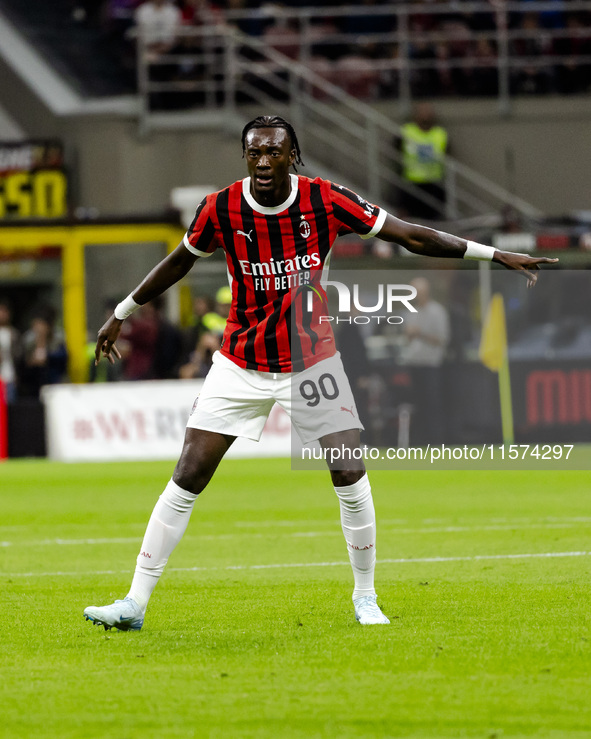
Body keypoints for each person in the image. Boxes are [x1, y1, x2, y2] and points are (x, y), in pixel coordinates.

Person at [84, 114, 557, 632]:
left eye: (274, 152)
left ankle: (366, 597)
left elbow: (409, 236)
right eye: (255, 152)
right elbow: (179, 261)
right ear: (245, 156)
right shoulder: (220, 208)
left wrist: (493, 255)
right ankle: (134, 602)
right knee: (188, 473)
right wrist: (122, 311)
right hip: (240, 361)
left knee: (348, 471)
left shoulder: (326, 199)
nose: (264, 161)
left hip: (310, 361)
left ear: (294, 155)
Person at [399, 276, 450, 446]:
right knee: (418, 404)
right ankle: (420, 442)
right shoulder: (411, 312)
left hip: (431, 365)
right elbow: (406, 339)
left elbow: (443, 339)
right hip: (414, 364)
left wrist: (420, 333)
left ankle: (436, 441)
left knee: (433, 405)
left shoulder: (437, 311)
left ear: (425, 292)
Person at [396, 102, 449, 221]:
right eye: (422, 112)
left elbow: (447, 154)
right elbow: (396, 152)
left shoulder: (440, 133)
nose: (425, 115)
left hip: (434, 182)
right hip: (412, 182)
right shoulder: (407, 131)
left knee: (434, 219)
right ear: (415, 115)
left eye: (428, 112)